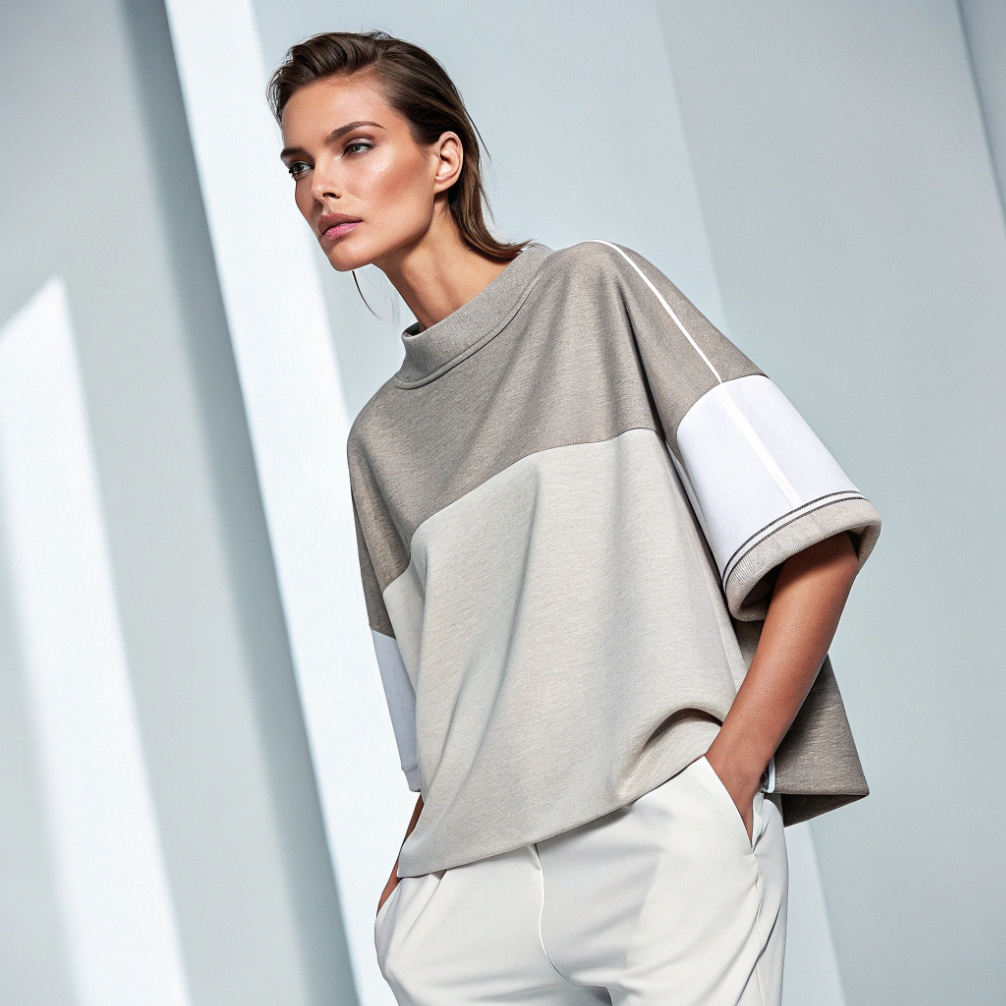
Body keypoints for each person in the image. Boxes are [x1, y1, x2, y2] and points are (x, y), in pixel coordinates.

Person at [269, 30, 881, 1006]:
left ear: (443, 158)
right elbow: (433, 729)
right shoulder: (377, 441)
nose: (321, 189)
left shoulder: (594, 291)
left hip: (658, 841)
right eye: (300, 164)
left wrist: (724, 780)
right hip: (472, 901)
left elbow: (816, 540)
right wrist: (405, 901)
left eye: (355, 146)